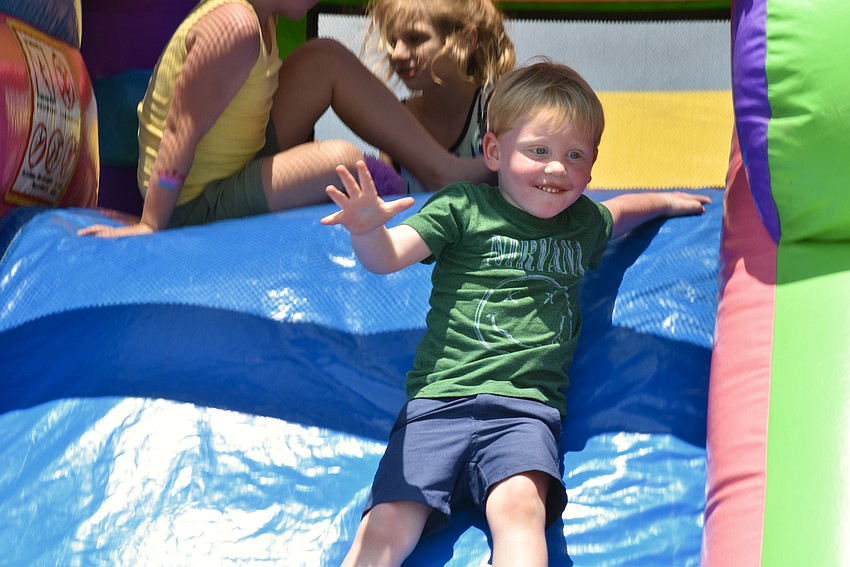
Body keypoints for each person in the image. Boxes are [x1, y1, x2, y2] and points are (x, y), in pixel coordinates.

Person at [321, 60, 711, 566]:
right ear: (494, 150)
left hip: (525, 413)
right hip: (438, 403)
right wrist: (367, 231)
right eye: (539, 151)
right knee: (389, 519)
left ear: (592, 166)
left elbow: (619, 212)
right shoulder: (463, 208)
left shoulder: (580, 223)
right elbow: (387, 257)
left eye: (575, 155)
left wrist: (666, 200)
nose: (556, 168)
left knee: (522, 510)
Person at [78, 0, 491, 238]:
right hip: (195, 200)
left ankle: (443, 170)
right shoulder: (234, 27)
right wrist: (152, 224)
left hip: (239, 158)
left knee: (323, 59)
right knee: (340, 160)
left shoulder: (262, 15)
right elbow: (177, 132)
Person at [364, 0, 515, 193]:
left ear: (466, 40)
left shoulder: (496, 111)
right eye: (393, 41)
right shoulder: (396, 118)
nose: (397, 54)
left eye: (415, 38)